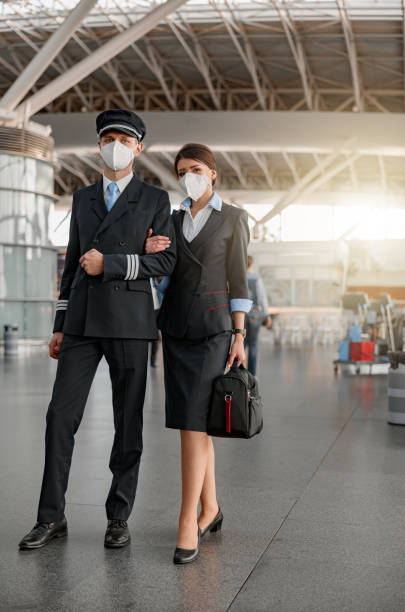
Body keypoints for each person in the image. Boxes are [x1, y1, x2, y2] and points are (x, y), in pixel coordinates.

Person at [19, 109, 176, 551]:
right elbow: (71, 264)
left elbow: (164, 262)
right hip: (82, 323)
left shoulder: (155, 199)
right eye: (109, 138)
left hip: (130, 323)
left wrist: (112, 263)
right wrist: (59, 324)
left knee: (128, 423)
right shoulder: (83, 197)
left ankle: (118, 516)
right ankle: (51, 517)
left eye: (125, 140)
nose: (116, 146)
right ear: (99, 145)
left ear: (139, 148)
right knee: (59, 417)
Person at [146, 143, 251, 564]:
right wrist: (151, 253)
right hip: (175, 330)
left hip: (214, 331)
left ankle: (187, 519)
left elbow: (239, 279)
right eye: (182, 171)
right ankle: (211, 508)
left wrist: (239, 335)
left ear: (212, 173)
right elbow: (166, 272)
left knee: (192, 425)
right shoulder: (171, 219)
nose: (188, 176)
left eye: (196, 169)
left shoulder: (234, 218)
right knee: (197, 423)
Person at [245, 255, 272, 376]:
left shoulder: (237, 277)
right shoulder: (256, 278)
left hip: (240, 315)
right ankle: (252, 375)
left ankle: (235, 373)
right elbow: (262, 299)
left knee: (240, 343)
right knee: (253, 344)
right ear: (251, 265)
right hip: (255, 315)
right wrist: (267, 315)